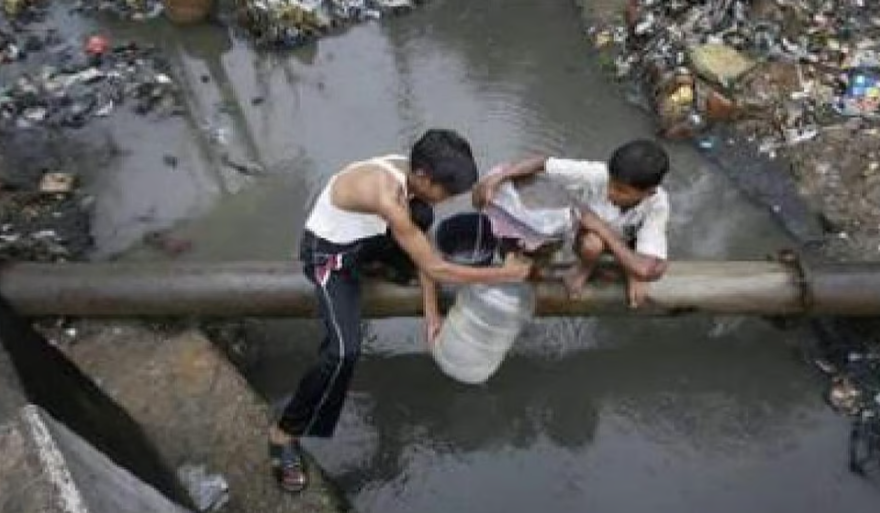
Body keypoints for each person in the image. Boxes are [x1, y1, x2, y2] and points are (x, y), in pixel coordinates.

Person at [269, 129, 531, 492]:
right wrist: (506, 274)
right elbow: (437, 268)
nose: (446, 200)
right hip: (329, 254)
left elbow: (421, 246)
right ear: (423, 176)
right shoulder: (385, 193)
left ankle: (380, 265)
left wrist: (431, 313)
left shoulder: (408, 174)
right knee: (342, 353)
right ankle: (283, 436)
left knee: (421, 216)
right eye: (446, 192)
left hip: (366, 240)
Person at [473, 139, 670, 307]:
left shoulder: (657, 204)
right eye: (611, 183)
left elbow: (648, 269)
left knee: (636, 267)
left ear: (649, 192)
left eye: (621, 190)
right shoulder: (597, 174)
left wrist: (604, 230)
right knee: (592, 244)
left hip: (626, 242)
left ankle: (624, 268)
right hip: (590, 238)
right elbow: (541, 163)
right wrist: (497, 179)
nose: (610, 192)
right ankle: (586, 267)